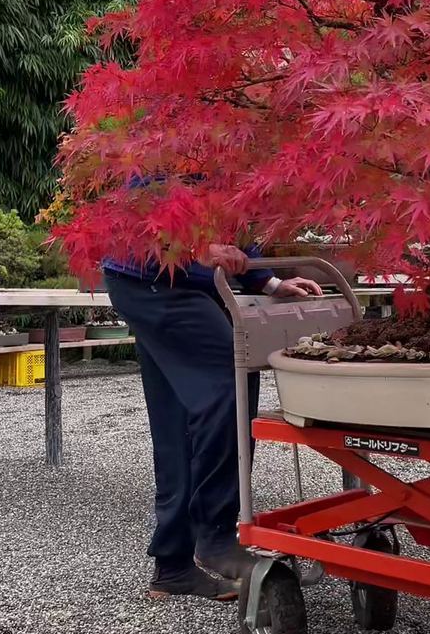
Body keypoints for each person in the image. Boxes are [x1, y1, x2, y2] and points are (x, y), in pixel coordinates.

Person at [104, 241, 321, 601]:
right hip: (150, 276)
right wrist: (194, 248)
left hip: (169, 283)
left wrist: (268, 282)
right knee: (232, 376)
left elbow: (236, 227)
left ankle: (173, 565)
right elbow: (135, 216)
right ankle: (216, 535)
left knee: (177, 418)